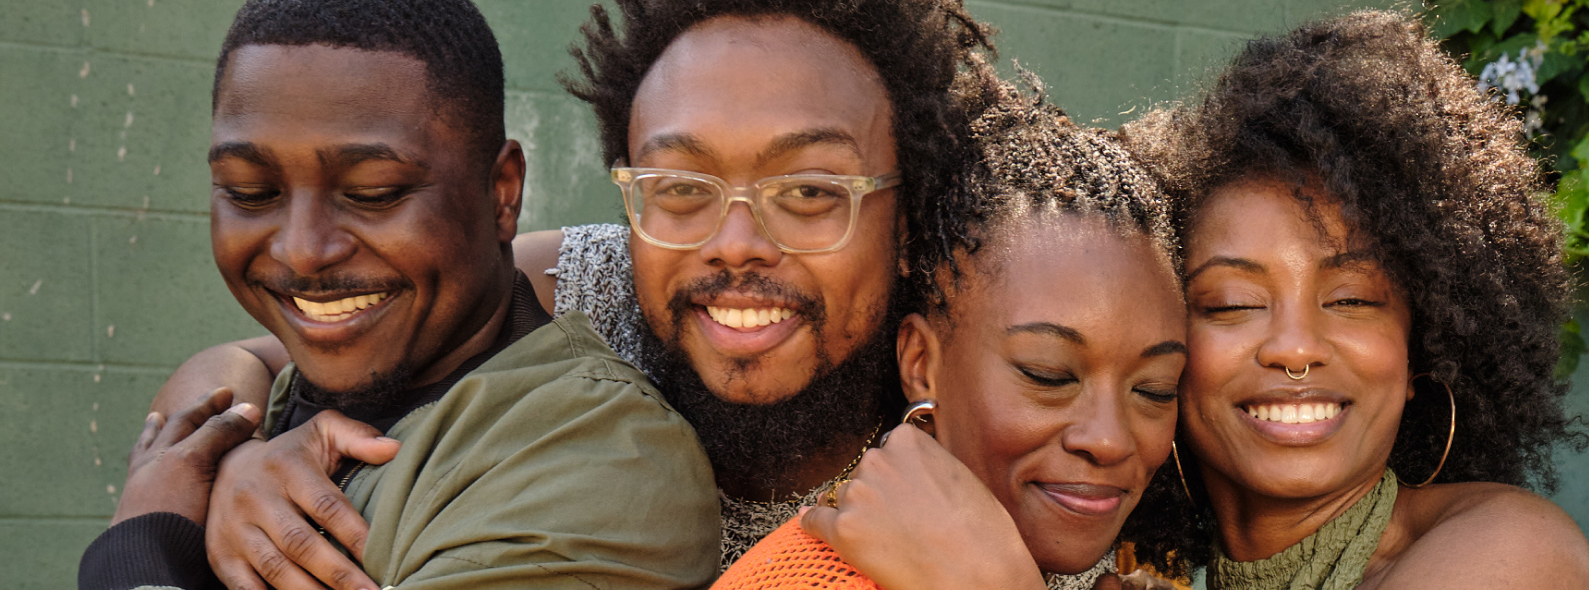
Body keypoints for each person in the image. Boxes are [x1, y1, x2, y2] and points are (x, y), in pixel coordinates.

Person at [141, 0, 1002, 586]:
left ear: (905, 220)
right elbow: (253, 354)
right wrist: (235, 456)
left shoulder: (1000, 421)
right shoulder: (600, 278)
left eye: (811, 192)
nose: (735, 243)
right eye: (680, 186)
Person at [77, 0, 722, 588]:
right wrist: (230, 456)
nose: (301, 250)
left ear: (502, 192)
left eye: (374, 193)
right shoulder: (295, 401)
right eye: (251, 192)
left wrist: (141, 547)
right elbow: (236, 361)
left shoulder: (601, 464)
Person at [1116, 11, 1589, 589]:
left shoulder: (1512, 548)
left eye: (1352, 300)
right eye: (1231, 304)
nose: (1295, 349)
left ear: (1417, 353)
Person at [719, 79, 1194, 590]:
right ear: (922, 365)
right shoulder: (816, 580)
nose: (1108, 439)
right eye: (1048, 375)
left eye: (1154, 389)